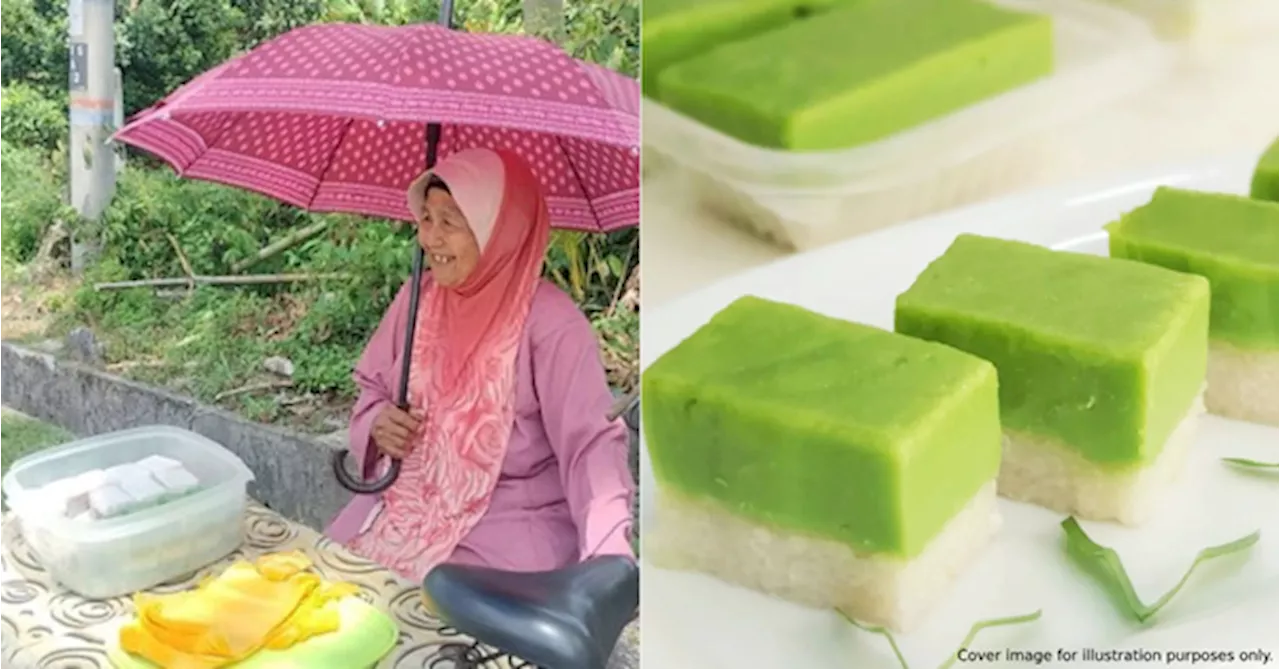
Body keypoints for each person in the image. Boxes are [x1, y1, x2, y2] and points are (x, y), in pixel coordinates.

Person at [325, 147, 636, 582]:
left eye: (450, 222)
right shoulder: (417, 299)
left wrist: (608, 556)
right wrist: (380, 424)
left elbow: (591, 447)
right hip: (401, 511)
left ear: (499, 231)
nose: (429, 239)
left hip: (501, 528)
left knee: (447, 634)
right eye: (427, 218)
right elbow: (373, 392)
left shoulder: (551, 325)